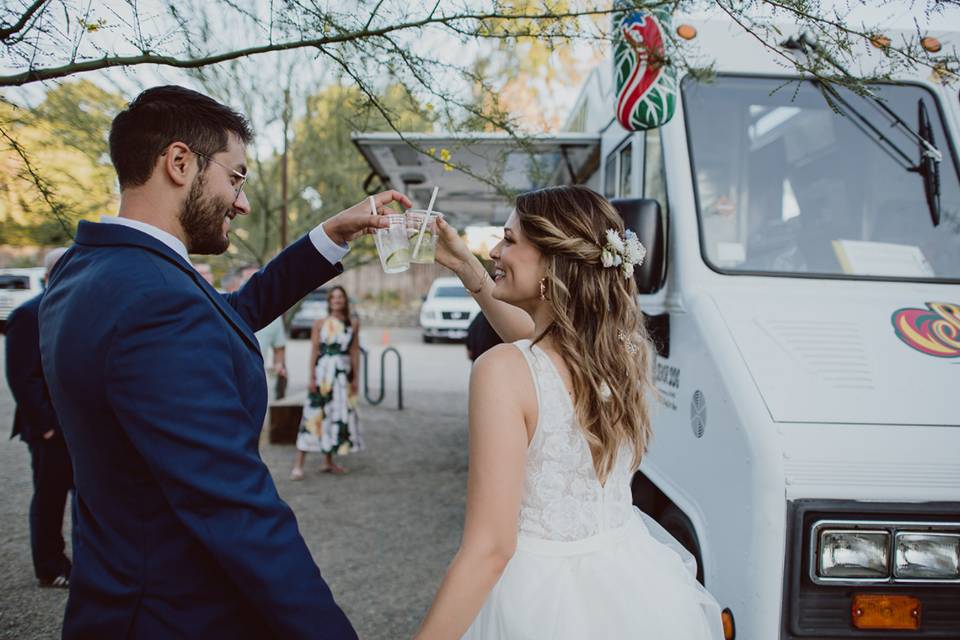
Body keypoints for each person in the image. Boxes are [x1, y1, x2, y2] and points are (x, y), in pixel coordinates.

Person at [38, 85, 410, 640]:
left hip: (113, 594)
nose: (242, 203)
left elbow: (227, 316)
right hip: (171, 617)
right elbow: (236, 510)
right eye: (235, 177)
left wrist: (329, 236)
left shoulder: (90, 269)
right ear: (180, 163)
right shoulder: (156, 301)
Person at [417, 185, 724, 639]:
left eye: (509, 240)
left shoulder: (502, 371)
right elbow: (540, 343)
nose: (495, 251)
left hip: (538, 599)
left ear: (552, 261)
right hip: (632, 585)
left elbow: (490, 549)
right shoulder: (623, 354)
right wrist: (468, 268)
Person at [5, 247, 73, 589]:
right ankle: (50, 566)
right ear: (50, 274)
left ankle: (90, 562)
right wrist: (46, 426)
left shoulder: (75, 309)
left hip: (79, 427)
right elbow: (22, 377)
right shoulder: (27, 314)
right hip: (48, 429)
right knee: (50, 498)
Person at [291, 285, 362, 479]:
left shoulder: (353, 323)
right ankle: (298, 465)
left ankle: (328, 462)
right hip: (323, 374)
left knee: (335, 414)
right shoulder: (320, 323)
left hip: (342, 375)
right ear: (329, 301)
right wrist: (311, 377)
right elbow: (314, 350)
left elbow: (354, 351)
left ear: (345, 300)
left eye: (340, 297)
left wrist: (356, 377)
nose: (337, 300)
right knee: (313, 414)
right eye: (334, 297)